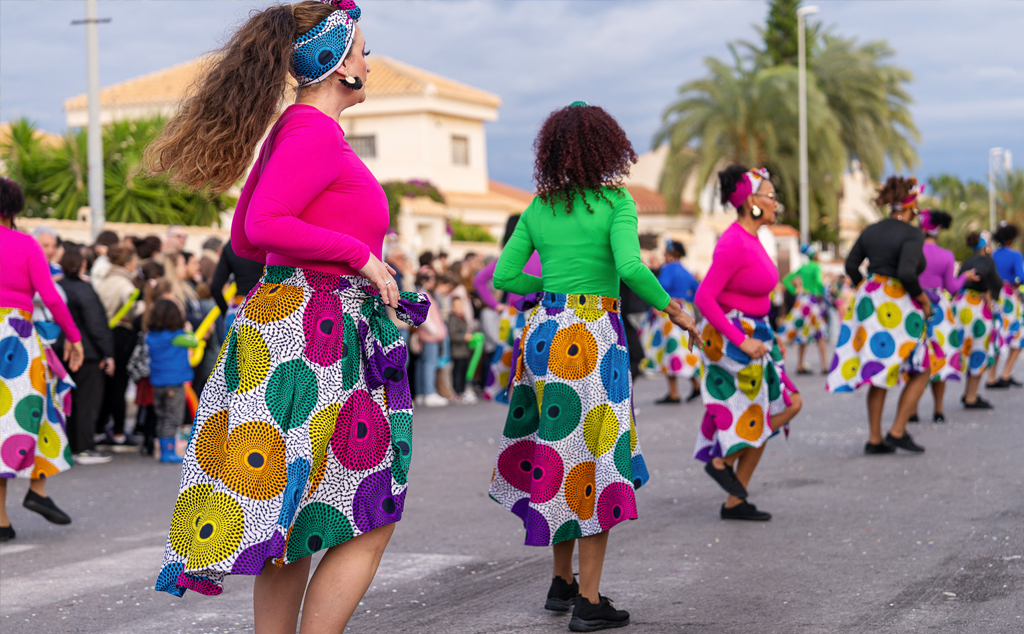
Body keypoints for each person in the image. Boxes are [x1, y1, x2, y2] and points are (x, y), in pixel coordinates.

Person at [143, 4, 430, 631]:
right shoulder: (312, 132)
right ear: (339, 65)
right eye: (362, 49)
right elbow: (262, 227)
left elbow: (247, 242)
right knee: (368, 512)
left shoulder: (294, 128)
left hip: (294, 323)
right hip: (316, 332)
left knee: (292, 517)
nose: (369, 60)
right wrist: (363, 258)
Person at [488, 102, 700, 631]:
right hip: (594, 336)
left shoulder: (539, 207)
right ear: (609, 146)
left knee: (555, 452)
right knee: (596, 460)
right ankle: (589, 598)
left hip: (545, 335)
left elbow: (505, 275)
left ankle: (560, 584)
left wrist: (548, 291)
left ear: (552, 150)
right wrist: (674, 310)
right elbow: (630, 266)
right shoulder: (616, 202)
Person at [692, 165, 803, 522]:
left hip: (758, 336)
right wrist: (744, 340)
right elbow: (704, 298)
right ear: (752, 201)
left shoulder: (752, 239)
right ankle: (722, 463)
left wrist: (771, 338)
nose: (776, 203)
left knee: (771, 411)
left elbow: (754, 296)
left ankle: (734, 499)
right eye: (771, 196)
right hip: (737, 342)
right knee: (782, 406)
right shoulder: (733, 241)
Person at [0, 177, 83, 542]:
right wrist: (75, 338)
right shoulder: (26, 244)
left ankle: (3, 518)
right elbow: (50, 297)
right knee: (37, 409)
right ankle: (38, 488)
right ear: (15, 208)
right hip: (17, 337)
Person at [825, 176, 932, 454]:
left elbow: (851, 264)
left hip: (870, 298)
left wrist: (866, 288)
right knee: (922, 367)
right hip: (898, 302)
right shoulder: (912, 233)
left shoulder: (872, 230)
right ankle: (897, 430)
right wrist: (923, 300)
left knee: (878, 366)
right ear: (911, 204)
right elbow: (908, 273)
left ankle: (875, 439)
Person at [907, 210, 976, 423]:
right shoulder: (946, 255)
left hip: (914, 302)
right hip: (938, 308)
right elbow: (952, 287)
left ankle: (912, 410)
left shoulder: (912, 250)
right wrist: (965, 276)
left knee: (915, 357)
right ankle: (938, 410)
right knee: (939, 356)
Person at [474, 214, 542, 403]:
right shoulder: (543, 255)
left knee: (509, 358)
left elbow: (479, 280)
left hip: (512, 315)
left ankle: (506, 396)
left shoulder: (509, 256)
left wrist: (496, 306)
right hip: (539, 312)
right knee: (536, 360)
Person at [57, 247, 116, 465]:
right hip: (87, 352)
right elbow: (96, 324)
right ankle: (83, 447)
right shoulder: (85, 290)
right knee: (87, 401)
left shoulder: (58, 287)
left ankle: (69, 445)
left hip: (60, 350)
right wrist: (107, 354)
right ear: (83, 264)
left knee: (67, 400)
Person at [96, 243, 141, 448]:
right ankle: (120, 432)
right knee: (119, 385)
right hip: (121, 334)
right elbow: (132, 308)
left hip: (103, 333)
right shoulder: (126, 285)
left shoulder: (104, 281)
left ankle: (100, 427)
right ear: (129, 263)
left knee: (106, 384)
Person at [645, 240, 700, 403]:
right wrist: (684, 299)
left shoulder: (667, 269)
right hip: (685, 311)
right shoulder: (686, 270)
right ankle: (695, 385)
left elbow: (660, 288)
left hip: (669, 313)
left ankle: (674, 393)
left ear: (670, 253)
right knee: (683, 351)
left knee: (669, 352)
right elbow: (697, 291)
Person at [145, 299, 200, 464]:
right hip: (175, 382)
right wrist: (189, 330)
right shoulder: (178, 337)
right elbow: (194, 342)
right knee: (172, 418)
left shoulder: (151, 336)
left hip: (157, 382)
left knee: (162, 416)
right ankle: (168, 452)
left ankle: (163, 449)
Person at [954, 231, 1004, 409]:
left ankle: (969, 394)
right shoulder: (986, 261)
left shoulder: (968, 261)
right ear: (986, 245)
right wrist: (987, 293)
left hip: (961, 304)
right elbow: (980, 275)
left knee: (965, 348)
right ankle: (971, 396)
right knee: (979, 349)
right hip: (977, 308)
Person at [777, 244, 829, 374]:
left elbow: (786, 279)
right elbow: (818, 282)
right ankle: (824, 365)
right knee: (820, 333)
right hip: (814, 301)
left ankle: (800, 365)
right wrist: (824, 292)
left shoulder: (803, 267)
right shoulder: (816, 266)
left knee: (803, 332)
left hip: (803, 300)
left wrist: (795, 291)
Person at [987, 223, 1024, 388]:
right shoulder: (1015, 255)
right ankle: (1006, 373)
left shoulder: (993, 255)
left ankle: (991, 377)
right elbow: (1020, 277)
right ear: (1011, 239)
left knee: (997, 334)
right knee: (1018, 336)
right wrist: (1015, 284)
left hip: (994, 296)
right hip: (1009, 297)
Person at [210, 240, 266, 329]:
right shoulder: (269, 240)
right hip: (268, 306)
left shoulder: (231, 245)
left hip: (238, 307)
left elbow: (215, 287)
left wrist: (227, 312)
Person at [414, 269, 448, 406]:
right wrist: (436, 332)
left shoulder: (425, 293)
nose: (433, 280)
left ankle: (422, 393)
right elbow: (424, 318)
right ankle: (428, 393)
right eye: (430, 278)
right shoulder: (422, 293)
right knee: (429, 363)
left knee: (423, 364)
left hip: (429, 335)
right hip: (430, 335)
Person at [446, 295, 475, 402]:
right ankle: (457, 392)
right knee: (457, 372)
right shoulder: (452, 319)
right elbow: (453, 335)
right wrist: (464, 337)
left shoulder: (462, 318)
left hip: (464, 351)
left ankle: (462, 391)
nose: (459, 307)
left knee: (464, 371)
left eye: (461, 305)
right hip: (457, 351)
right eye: (456, 305)